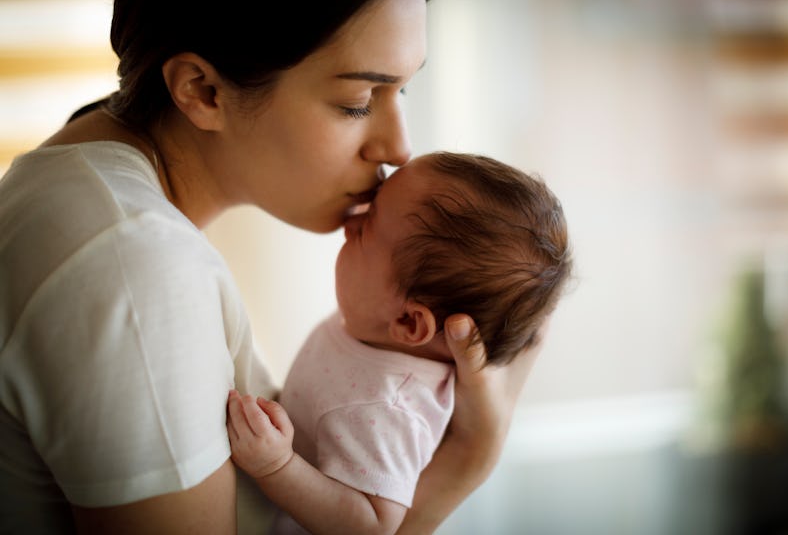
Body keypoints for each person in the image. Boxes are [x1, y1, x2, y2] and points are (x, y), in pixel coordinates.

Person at [0, 0, 543, 533]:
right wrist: (467, 460)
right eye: (357, 101)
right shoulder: (134, 264)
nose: (399, 149)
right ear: (203, 90)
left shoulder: (77, 185)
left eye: (401, 91)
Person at [227, 151, 573, 534]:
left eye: (366, 228)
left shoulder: (390, 408)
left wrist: (278, 467)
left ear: (410, 322)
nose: (349, 223)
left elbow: (372, 525)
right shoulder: (376, 329)